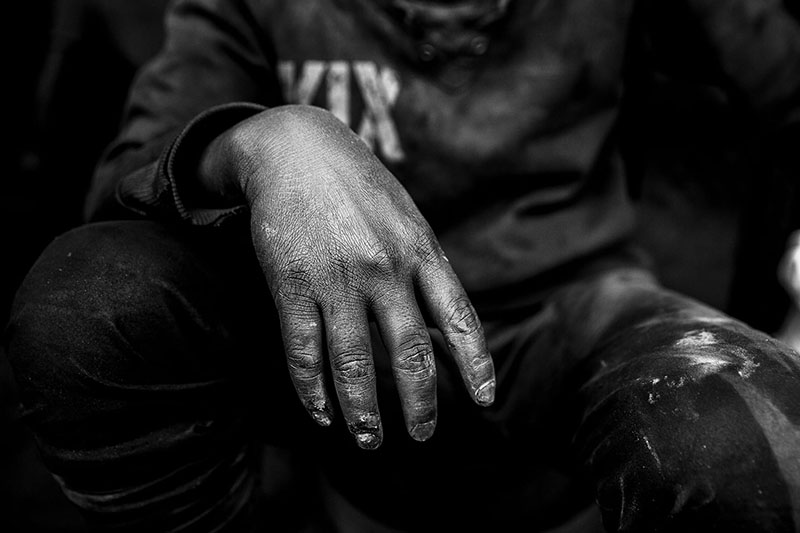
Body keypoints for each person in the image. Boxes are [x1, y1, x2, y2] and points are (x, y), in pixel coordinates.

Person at [4, 0, 800, 531]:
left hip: (572, 309)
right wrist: (260, 142)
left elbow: (787, 81)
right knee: (90, 304)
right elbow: (126, 177)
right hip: (326, 338)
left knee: (746, 436)